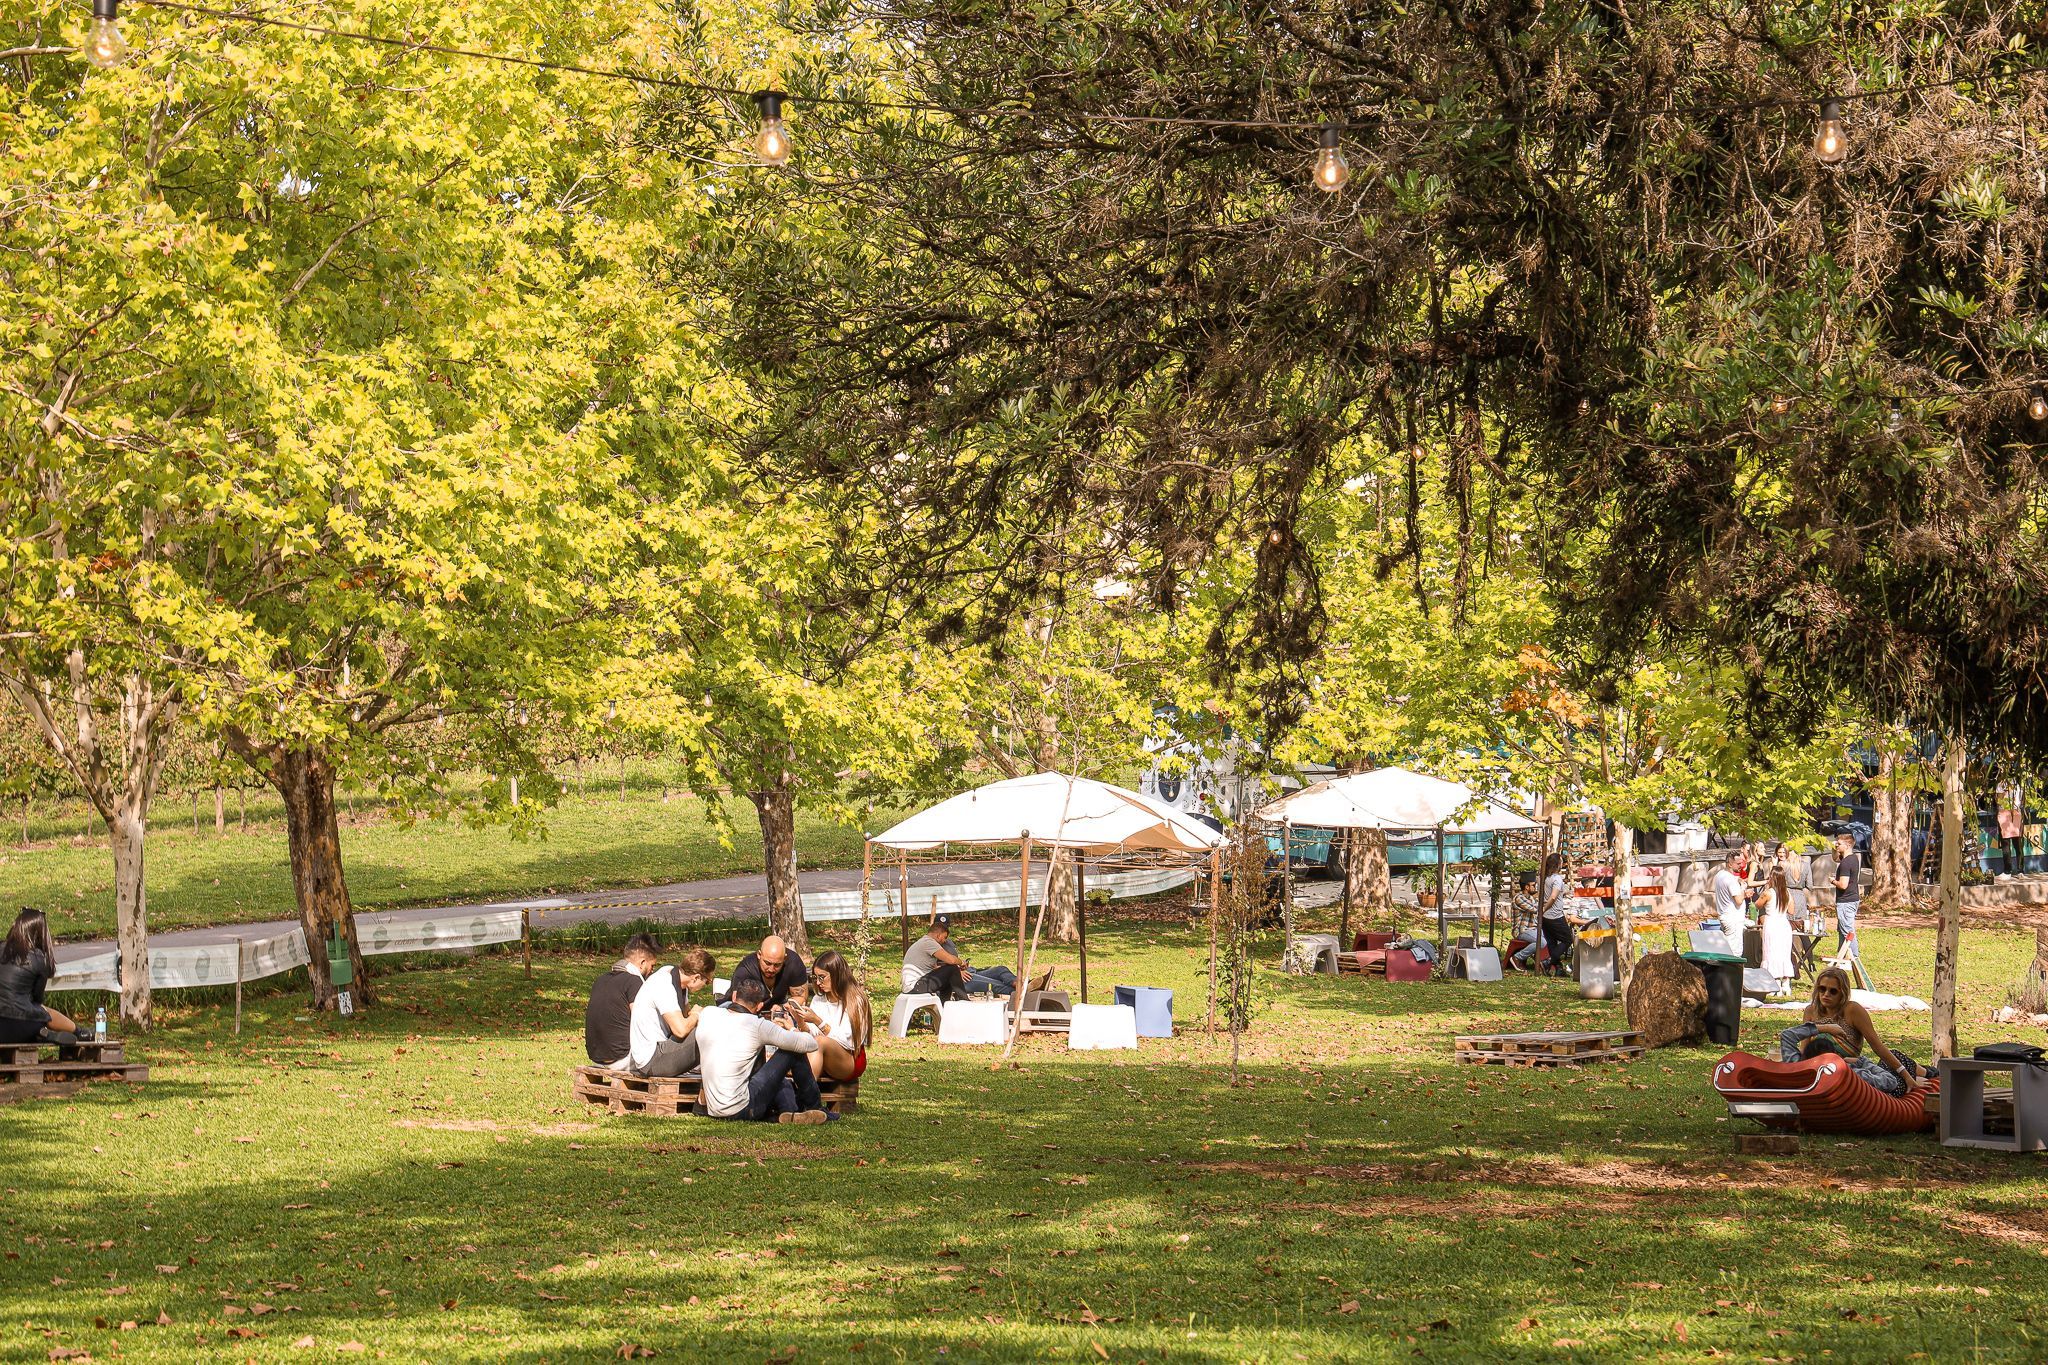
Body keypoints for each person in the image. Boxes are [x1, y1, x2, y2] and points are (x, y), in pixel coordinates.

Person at [694, 976, 833, 1123]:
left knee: (777, 1079)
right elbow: (810, 1044)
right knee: (791, 1051)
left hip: (714, 1108)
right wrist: (791, 1028)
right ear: (759, 1006)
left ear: (734, 996)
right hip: (743, 1108)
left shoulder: (708, 1013)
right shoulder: (756, 1024)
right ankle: (814, 1106)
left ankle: (788, 1111)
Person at [1778, 966, 1925, 1096]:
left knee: (1894, 1057)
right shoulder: (1811, 1011)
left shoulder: (1852, 1010)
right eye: (1822, 989)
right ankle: (1922, 1074)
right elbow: (1803, 1047)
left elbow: (1877, 1046)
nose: (1826, 994)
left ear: (1842, 993)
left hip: (1849, 1069)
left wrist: (1906, 1076)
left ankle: (1927, 1073)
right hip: (1830, 1072)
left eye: (1832, 991)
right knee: (1889, 1071)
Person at [627, 945, 716, 1078]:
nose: (705, 986)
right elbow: (680, 1030)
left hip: (662, 1050)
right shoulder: (664, 984)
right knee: (713, 1030)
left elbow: (686, 1018)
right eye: (707, 981)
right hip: (652, 1061)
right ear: (696, 977)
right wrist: (697, 1014)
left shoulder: (679, 982)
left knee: (711, 1023)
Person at [0, 908, 77, 1046]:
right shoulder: (39, 958)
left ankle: (42, 1034)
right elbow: (37, 999)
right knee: (44, 1012)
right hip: (22, 1024)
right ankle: (78, 1032)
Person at [584, 932, 659, 1067]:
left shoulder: (601, 979)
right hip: (622, 1059)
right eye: (652, 966)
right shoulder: (634, 982)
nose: (652, 971)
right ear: (642, 963)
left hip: (596, 1058)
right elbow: (643, 1022)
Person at [801, 949, 871, 1082]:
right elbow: (811, 1036)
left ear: (837, 975)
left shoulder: (856, 1000)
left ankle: (807, 1097)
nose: (817, 982)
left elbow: (848, 1042)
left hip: (851, 1059)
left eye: (822, 977)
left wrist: (818, 1021)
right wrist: (800, 1020)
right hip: (822, 1054)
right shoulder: (818, 999)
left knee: (820, 1042)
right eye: (815, 978)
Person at [728, 934, 806, 1008]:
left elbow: (801, 998)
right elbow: (737, 1005)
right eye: (767, 963)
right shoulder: (746, 969)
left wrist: (782, 1009)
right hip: (743, 1008)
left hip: (778, 1007)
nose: (771, 969)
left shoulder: (794, 964)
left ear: (784, 959)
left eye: (777, 965)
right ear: (759, 954)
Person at [1537, 853, 1575, 976]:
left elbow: (1545, 894)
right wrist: (1544, 909)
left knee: (1552, 942)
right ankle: (1548, 962)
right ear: (1557, 864)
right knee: (1568, 939)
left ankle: (1559, 969)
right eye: (1561, 862)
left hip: (1545, 917)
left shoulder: (1542, 877)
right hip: (1554, 915)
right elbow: (1553, 897)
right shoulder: (1557, 878)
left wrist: (1542, 911)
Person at [1758, 867, 1795, 987]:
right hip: (1783, 924)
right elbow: (1791, 910)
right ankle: (1786, 981)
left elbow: (1757, 905)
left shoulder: (1768, 893)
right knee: (1783, 952)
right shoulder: (1787, 893)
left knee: (1771, 952)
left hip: (1772, 923)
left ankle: (1774, 981)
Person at [1830, 832, 1862, 958]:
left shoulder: (1846, 863)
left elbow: (1843, 885)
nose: (1837, 845)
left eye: (1839, 844)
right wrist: (1834, 847)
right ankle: (1842, 955)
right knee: (1842, 929)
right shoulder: (1852, 858)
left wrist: (1832, 881)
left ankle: (1854, 957)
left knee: (1847, 930)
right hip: (1852, 899)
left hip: (1846, 901)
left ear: (1848, 845)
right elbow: (1835, 858)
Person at [1710, 850, 1748, 942]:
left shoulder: (1720, 874)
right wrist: (1744, 890)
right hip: (1733, 919)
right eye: (1738, 864)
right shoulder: (1730, 880)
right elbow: (1738, 901)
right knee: (1735, 949)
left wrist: (1738, 880)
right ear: (1730, 864)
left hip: (1724, 916)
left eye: (1741, 863)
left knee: (1727, 945)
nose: (1741, 866)